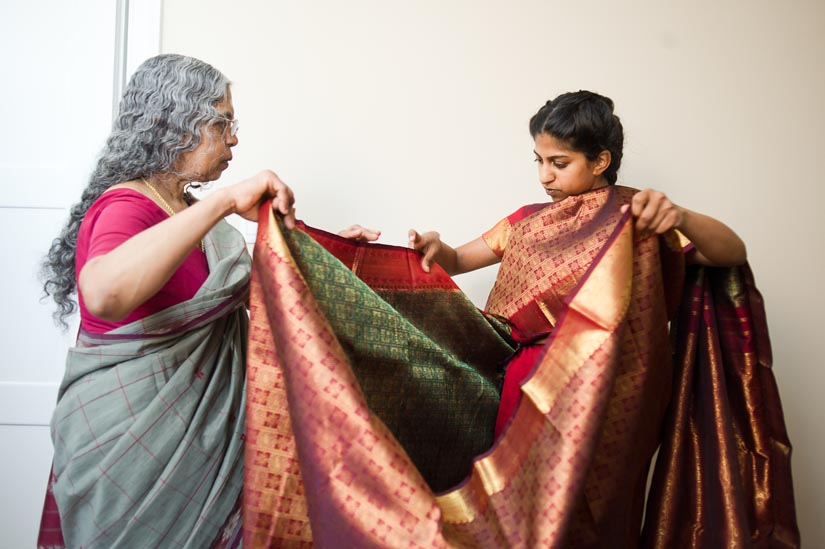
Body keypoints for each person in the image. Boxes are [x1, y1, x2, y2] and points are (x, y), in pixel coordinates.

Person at [36, 53, 368, 548]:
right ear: (178, 121)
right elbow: (104, 294)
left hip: (207, 451)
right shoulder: (126, 206)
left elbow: (267, 295)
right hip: (130, 460)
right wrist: (224, 202)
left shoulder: (188, 213)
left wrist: (338, 250)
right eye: (223, 121)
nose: (234, 137)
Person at [408, 90, 746, 437]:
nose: (544, 176)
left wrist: (682, 217)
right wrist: (436, 249)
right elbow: (459, 259)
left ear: (600, 161)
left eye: (559, 163)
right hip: (523, 381)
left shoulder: (635, 219)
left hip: (601, 389)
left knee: (590, 490)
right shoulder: (526, 221)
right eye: (538, 161)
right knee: (518, 487)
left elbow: (731, 253)